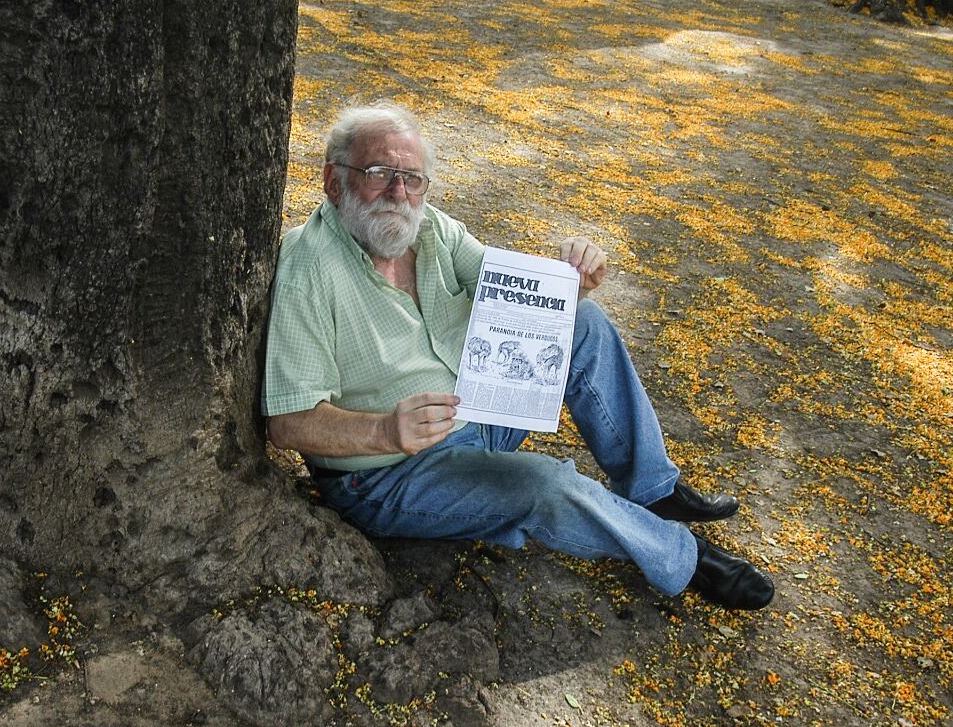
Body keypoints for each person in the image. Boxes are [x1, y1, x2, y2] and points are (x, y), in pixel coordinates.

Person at [263, 104, 773, 611]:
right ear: (335, 181)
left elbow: (520, 298)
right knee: (542, 483)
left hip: (478, 412)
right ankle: (684, 558)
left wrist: (572, 282)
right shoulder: (308, 268)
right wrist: (384, 431)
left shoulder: (432, 230)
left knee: (584, 323)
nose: (399, 193)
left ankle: (652, 486)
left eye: (413, 179)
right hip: (390, 473)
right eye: (380, 174)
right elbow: (289, 424)